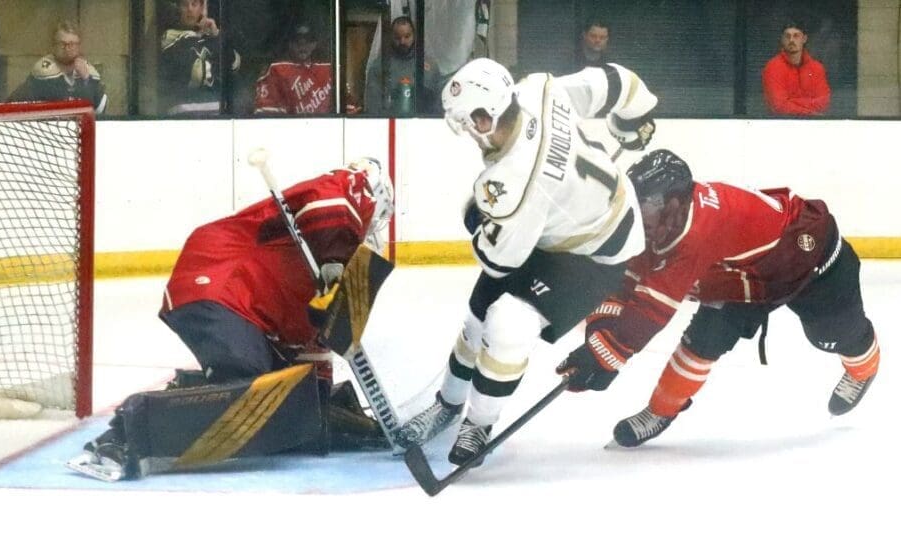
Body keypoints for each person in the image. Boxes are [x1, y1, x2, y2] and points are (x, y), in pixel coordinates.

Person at [394, 58, 659, 466]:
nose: (468, 132)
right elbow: (618, 80)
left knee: (506, 325)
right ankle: (447, 404)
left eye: (469, 122)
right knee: (477, 316)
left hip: (596, 255)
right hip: (565, 223)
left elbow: (499, 261)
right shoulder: (538, 90)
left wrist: (477, 219)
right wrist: (631, 122)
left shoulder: (510, 184)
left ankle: (478, 423)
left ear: (486, 117)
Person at [67, 158, 395, 481]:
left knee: (278, 407)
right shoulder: (348, 188)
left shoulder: (321, 278)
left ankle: (189, 391)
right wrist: (336, 258)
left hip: (245, 307)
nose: (371, 232)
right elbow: (331, 202)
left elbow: (308, 366)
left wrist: (324, 415)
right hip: (221, 281)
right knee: (250, 392)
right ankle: (123, 437)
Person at [554, 149, 879, 447]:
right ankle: (660, 410)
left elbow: (649, 312)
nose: (641, 211)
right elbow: (624, 282)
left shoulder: (699, 231)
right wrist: (598, 336)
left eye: (650, 204)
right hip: (741, 279)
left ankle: (864, 369)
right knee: (701, 342)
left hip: (809, 259)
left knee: (831, 338)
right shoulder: (660, 222)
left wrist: (600, 357)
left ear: (676, 203)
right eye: (639, 201)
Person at [158, 0, 242, 115]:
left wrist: (216, 34)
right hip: (183, 112)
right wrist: (198, 34)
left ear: (202, 8)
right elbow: (192, 70)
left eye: (194, 4)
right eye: (184, 5)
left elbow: (234, 65)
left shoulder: (212, 37)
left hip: (216, 111)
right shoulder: (169, 37)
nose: (190, 9)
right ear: (178, 9)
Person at [7, 21, 108, 113]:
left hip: (82, 130)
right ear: (53, 46)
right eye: (62, 44)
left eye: (72, 44)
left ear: (79, 46)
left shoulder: (89, 73)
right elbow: (14, 106)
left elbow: (99, 109)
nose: (67, 48)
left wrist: (87, 79)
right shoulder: (42, 73)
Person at [363, 16, 443, 116]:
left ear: (414, 36)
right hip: (389, 127)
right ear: (391, 37)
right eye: (397, 37)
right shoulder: (379, 67)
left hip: (422, 127)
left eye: (407, 36)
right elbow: (373, 107)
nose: (402, 41)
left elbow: (437, 106)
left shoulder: (430, 67)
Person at [254, 22, 333, 115]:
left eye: (307, 40)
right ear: (290, 44)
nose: (302, 46)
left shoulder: (328, 70)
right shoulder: (276, 70)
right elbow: (267, 114)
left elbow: (348, 109)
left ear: (314, 44)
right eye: (297, 41)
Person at [762, 22, 830, 115]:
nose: (791, 40)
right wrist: (809, 112)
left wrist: (792, 102)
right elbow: (779, 106)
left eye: (796, 36)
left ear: (804, 39)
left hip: (814, 126)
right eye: (787, 36)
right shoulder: (773, 67)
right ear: (782, 40)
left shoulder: (816, 68)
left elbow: (824, 102)